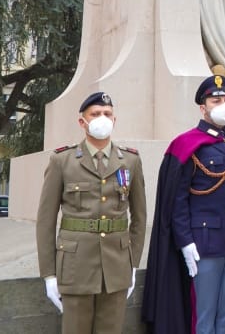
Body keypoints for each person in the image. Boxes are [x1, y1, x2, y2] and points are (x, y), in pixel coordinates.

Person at [142, 74, 225, 334]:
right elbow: (177, 201)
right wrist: (185, 242)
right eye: (216, 101)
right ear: (202, 108)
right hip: (203, 246)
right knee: (204, 319)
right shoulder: (186, 145)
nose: (223, 105)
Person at [36, 91, 147, 334]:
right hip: (76, 266)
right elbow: (45, 221)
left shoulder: (130, 161)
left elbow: (139, 218)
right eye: (95, 114)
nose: (102, 118)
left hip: (116, 266)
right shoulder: (62, 161)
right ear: (82, 121)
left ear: (114, 120)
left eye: (107, 114)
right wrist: (49, 274)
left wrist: (132, 265)